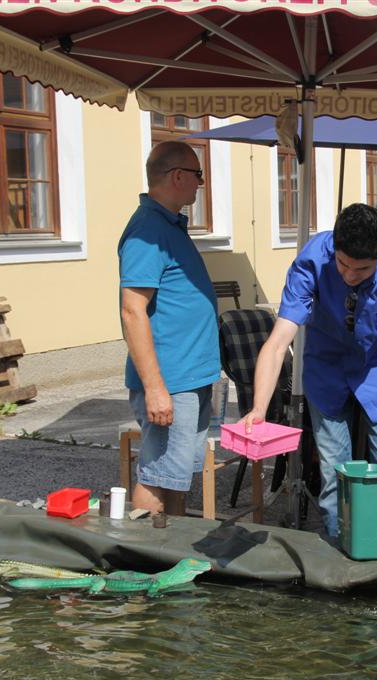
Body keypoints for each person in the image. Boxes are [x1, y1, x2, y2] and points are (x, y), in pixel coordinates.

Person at [243, 203, 377, 550]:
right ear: (334, 245)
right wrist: (259, 408)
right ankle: (338, 566)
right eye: (343, 264)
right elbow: (277, 343)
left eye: (361, 270)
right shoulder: (312, 260)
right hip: (327, 369)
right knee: (334, 477)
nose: (348, 275)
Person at [118, 141, 220, 518]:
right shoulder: (147, 230)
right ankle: (145, 559)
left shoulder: (168, 225)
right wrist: (155, 388)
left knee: (177, 477)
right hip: (170, 382)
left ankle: (172, 553)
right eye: (197, 176)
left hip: (188, 378)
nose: (200, 184)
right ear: (178, 176)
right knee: (156, 476)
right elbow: (133, 311)